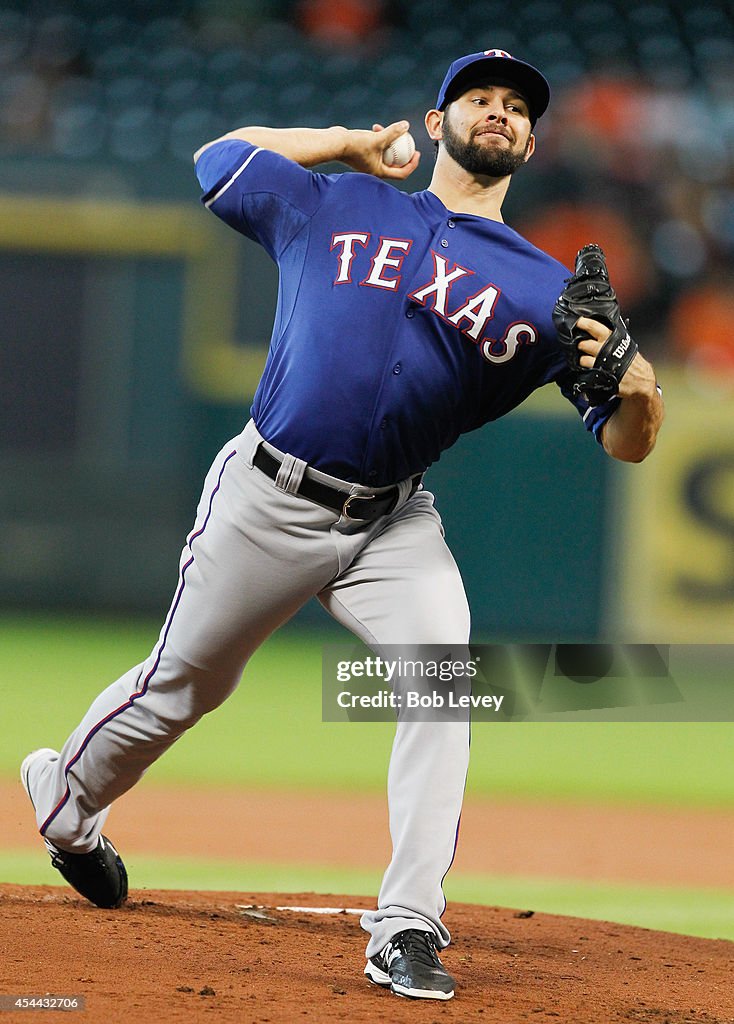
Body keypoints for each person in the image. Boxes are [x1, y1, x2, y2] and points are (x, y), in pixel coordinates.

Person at [20, 49, 664, 1002]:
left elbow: (626, 443)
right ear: (436, 119)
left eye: (517, 107)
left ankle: (406, 924)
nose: (498, 112)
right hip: (268, 495)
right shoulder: (333, 203)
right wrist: (348, 147)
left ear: (530, 142)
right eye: (477, 98)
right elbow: (216, 160)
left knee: (442, 684)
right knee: (184, 687)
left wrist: (640, 388)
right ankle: (67, 805)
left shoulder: (545, 290)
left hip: (393, 519)